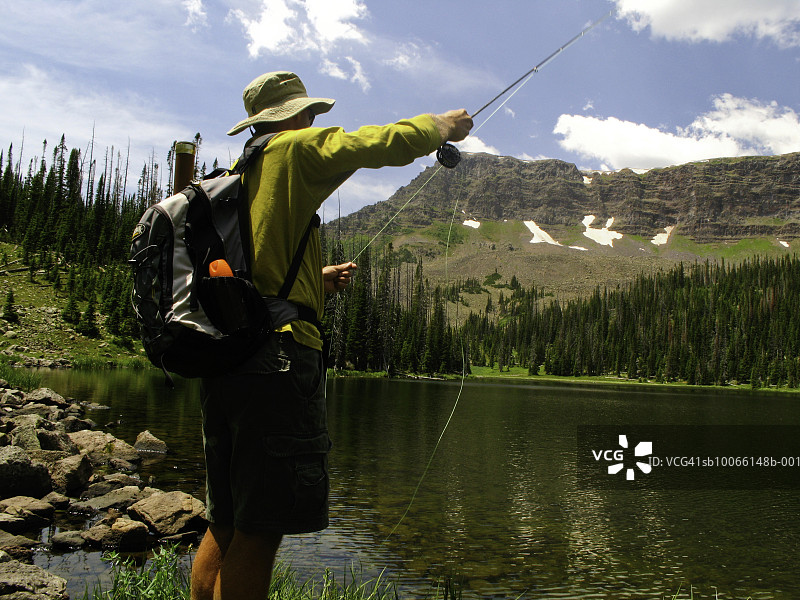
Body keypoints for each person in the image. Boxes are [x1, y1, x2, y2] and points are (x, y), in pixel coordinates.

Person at [190, 71, 473, 600]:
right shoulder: (293, 149)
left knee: (225, 519)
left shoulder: (239, 171)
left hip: (227, 356)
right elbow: (368, 143)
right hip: (275, 362)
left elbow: (252, 269)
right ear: (292, 116)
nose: (315, 121)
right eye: (310, 114)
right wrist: (440, 126)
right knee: (260, 527)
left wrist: (313, 284)